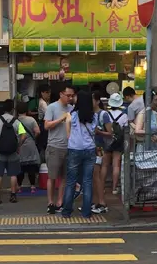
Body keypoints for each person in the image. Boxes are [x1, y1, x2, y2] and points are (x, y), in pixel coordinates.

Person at [62, 90, 97, 219]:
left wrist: (73, 139)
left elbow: (68, 134)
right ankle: (86, 212)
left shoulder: (72, 115)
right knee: (87, 181)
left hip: (74, 149)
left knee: (71, 181)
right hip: (90, 149)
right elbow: (94, 131)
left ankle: (66, 211)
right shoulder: (94, 116)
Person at [44, 82, 75, 213]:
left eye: (72, 96)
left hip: (69, 146)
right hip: (54, 146)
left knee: (64, 177)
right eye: (68, 95)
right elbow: (46, 126)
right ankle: (50, 202)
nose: (70, 98)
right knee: (52, 176)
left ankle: (60, 201)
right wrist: (61, 119)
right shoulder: (52, 107)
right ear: (61, 94)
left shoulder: (72, 108)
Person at [0, 98, 26, 204]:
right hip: (13, 151)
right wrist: (18, 145)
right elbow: (24, 135)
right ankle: (13, 195)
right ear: (13, 109)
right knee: (13, 174)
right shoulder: (16, 121)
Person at [92, 90, 112, 213]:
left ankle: (101, 203)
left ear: (97, 101)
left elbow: (110, 133)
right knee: (94, 176)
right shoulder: (89, 114)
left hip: (100, 148)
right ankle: (96, 202)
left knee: (97, 175)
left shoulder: (103, 114)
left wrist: (98, 132)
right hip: (91, 147)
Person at [106, 92, 128, 196]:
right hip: (118, 142)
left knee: (104, 165)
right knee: (116, 165)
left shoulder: (106, 114)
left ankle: (102, 187)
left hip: (107, 140)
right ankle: (114, 188)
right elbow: (126, 129)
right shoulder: (124, 116)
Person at [16, 101, 41, 192]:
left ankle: (19, 186)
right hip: (30, 144)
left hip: (20, 145)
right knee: (31, 166)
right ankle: (32, 186)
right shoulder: (31, 120)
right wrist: (33, 138)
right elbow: (37, 131)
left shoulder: (15, 121)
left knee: (20, 167)